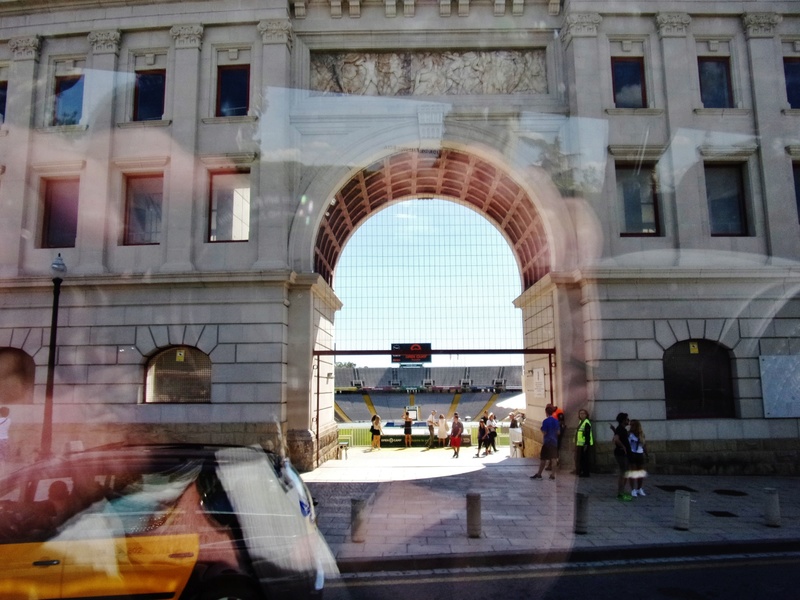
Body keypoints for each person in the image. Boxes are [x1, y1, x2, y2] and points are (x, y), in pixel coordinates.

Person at [530, 405, 560, 480]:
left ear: (546, 413)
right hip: (554, 442)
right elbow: (558, 432)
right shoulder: (556, 421)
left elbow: (544, 432)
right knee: (554, 459)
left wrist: (541, 429)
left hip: (547, 442)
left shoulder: (545, 421)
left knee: (543, 459)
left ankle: (539, 473)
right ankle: (553, 475)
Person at [613, 412, 632, 501]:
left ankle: (621, 492)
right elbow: (616, 439)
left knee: (624, 473)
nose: (628, 420)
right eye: (627, 419)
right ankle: (620, 493)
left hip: (622, 453)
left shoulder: (621, 429)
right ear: (623, 420)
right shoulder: (620, 428)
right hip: (621, 454)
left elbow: (617, 437)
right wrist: (623, 446)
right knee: (623, 473)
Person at [628, 419, 648, 496]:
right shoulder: (629, 434)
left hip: (640, 453)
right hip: (632, 453)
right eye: (631, 425)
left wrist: (647, 454)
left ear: (637, 426)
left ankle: (639, 488)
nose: (631, 426)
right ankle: (633, 489)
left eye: (633, 425)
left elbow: (644, 445)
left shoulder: (641, 434)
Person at [574, 408, 593, 477]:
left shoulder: (586, 422)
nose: (581, 415)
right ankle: (581, 471)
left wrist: (586, 444)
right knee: (581, 459)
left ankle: (585, 473)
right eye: (580, 413)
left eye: (583, 413)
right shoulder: (581, 421)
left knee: (585, 459)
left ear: (586, 415)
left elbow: (587, 435)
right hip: (579, 444)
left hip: (584, 444)